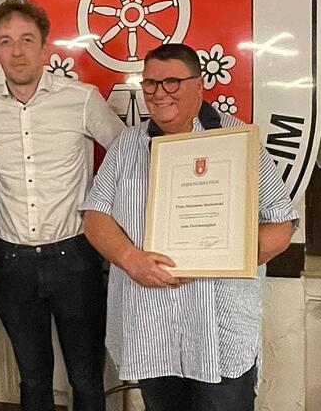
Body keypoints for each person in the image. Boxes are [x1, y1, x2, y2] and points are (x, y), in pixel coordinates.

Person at [80, 43, 299, 411]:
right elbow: (94, 218)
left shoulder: (239, 141)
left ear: (199, 85)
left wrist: (224, 255)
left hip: (218, 330)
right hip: (152, 326)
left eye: (172, 82)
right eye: (150, 83)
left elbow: (282, 225)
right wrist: (130, 258)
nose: (159, 93)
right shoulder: (127, 145)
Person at [0, 0, 124, 411]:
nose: (17, 51)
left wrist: (107, 213)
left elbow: (128, 155)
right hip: (13, 263)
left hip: (74, 257)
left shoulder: (83, 98)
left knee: (85, 378)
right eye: (5, 41)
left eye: (26, 39)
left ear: (44, 47)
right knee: (33, 379)